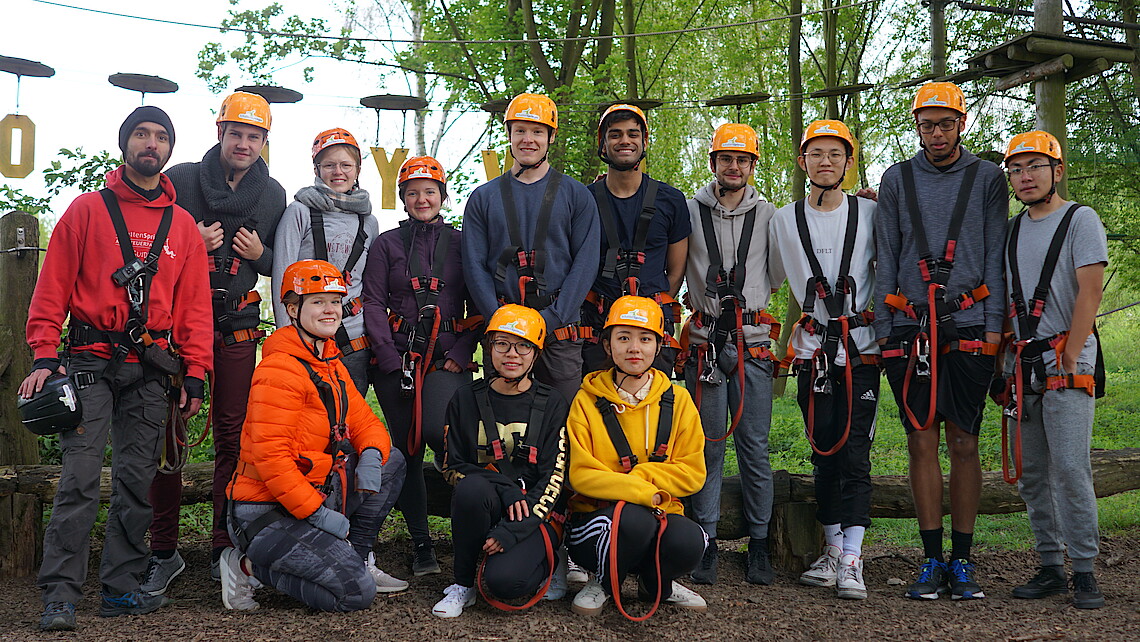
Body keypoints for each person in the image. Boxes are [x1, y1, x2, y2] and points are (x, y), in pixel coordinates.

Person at [22, 106, 212, 632]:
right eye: (141, 134)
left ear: (170, 149)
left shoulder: (183, 227)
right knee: (79, 479)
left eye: (160, 136)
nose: (151, 143)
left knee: (136, 481)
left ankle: (120, 589)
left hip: (151, 369)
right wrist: (44, 355)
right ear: (125, 143)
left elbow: (195, 308)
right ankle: (60, 595)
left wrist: (195, 373)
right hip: (89, 361)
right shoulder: (87, 211)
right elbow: (52, 288)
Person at [143, 91, 287, 594]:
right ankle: (163, 549)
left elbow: (279, 264)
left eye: (254, 136)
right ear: (220, 133)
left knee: (233, 435)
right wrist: (188, 242)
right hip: (179, 325)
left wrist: (262, 253)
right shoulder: (181, 180)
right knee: (169, 433)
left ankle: (223, 544)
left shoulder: (273, 195)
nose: (244, 143)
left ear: (264, 141)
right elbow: (148, 244)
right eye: (236, 133)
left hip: (236, 324)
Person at [874, 81, 1007, 600]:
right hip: (910, 328)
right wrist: (885, 332)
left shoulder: (987, 178)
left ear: (961, 124)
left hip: (969, 324)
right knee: (921, 439)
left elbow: (994, 254)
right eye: (927, 125)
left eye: (945, 124)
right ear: (917, 126)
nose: (936, 134)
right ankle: (931, 559)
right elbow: (887, 255)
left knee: (964, 441)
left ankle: (963, 559)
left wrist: (994, 330)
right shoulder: (896, 179)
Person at [221, 259, 407, 612]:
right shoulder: (279, 369)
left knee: (390, 461)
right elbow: (272, 460)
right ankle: (247, 568)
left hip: (315, 493)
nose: (330, 310)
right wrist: (318, 515)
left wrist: (370, 455)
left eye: (335, 301)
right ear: (292, 309)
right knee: (356, 594)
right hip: (266, 512)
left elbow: (365, 421)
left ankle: (355, 556)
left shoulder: (329, 362)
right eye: (318, 301)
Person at [272, 128, 407, 589]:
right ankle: (310, 533)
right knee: (309, 439)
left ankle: (356, 546)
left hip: (352, 340)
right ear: (316, 169)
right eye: (329, 164)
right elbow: (283, 272)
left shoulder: (368, 221)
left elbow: (369, 283)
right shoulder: (299, 211)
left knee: (348, 437)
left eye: (345, 164)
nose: (337, 171)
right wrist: (290, 339)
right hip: (306, 339)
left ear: (358, 169)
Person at [769, 120, 878, 600]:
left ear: (849, 162)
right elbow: (767, 274)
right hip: (813, 352)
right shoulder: (783, 220)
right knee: (824, 450)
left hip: (860, 348)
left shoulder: (871, 213)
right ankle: (832, 547)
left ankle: (853, 556)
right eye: (816, 154)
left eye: (835, 154)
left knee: (855, 451)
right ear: (803, 161)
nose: (826, 161)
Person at [999, 131, 1107, 609]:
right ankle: (1050, 565)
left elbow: (1090, 291)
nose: (1025, 176)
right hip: (1022, 363)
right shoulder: (1010, 230)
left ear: (1057, 171)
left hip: (1067, 357)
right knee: (1032, 471)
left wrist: (1072, 353)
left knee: (1069, 467)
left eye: (1035, 167)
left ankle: (1083, 569)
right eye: (1017, 169)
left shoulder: (1080, 220)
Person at [363, 156, 480, 577]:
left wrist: (462, 353)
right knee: (407, 450)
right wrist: (387, 357)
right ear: (403, 199)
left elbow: (479, 303)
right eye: (413, 193)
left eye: (430, 191)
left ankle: (472, 531)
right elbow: (373, 301)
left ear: (442, 196)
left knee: (439, 433)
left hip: (446, 359)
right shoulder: (387, 245)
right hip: (398, 359)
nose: (422, 199)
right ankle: (422, 544)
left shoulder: (463, 243)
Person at [565, 296, 707, 618]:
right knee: (633, 519)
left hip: (658, 512)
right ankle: (604, 581)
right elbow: (581, 474)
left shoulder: (679, 400)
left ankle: (656, 585)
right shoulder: (585, 401)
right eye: (623, 338)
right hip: (596, 519)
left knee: (689, 540)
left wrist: (641, 479)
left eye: (645, 339)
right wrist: (643, 493)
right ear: (607, 345)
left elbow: (693, 472)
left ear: (658, 347)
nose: (634, 348)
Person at [682, 123, 779, 585]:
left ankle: (759, 542)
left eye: (742, 160)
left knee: (754, 446)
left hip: (752, 343)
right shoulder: (688, 212)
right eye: (726, 159)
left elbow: (777, 273)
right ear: (713, 163)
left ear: (752, 165)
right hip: (705, 345)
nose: (734, 167)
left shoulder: (770, 216)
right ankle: (706, 539)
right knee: (708, 445)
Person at [431, 305, 570, 617]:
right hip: (488, 502)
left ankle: (549, 558)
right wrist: (505, 489)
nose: (512, 354)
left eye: (523, 346)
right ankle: (463, 584)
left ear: (536, 354)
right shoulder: (465, 399)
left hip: (535, 511)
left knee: (506, 584)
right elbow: (453, 467)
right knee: (471, 489)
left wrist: (513, 531)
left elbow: (553, 479)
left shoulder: (553, 403)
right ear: (489, 347)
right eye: (502, 344)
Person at [461, 92, 601, 404]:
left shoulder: (577, 195)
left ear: (551, 137)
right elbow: (474, 265)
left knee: (561, 417)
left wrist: (553, 317)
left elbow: (585, 263)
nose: (528, 139)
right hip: (503, 330)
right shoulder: (483, 198)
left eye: (537, 131)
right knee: (500, 416)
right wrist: (498, 319)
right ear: (508, 134)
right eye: (520, 130)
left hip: (558, 330)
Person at [581, 103, 690, 374]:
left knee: (654, 398)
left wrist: (649, 310)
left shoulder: (671, 200)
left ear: (644, 141)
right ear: (603, 143)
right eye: (615, 134)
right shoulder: (584, 201)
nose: (625, 141)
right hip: (598, 326)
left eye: (633, 133)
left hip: (652, 326)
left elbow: (677, 270)